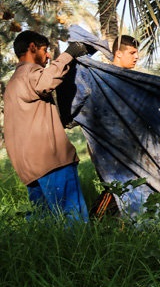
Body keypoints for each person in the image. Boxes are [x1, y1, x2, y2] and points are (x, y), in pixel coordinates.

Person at [3, 30, 94, 221]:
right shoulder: (30, 73)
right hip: (51, 162)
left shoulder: (13, 83)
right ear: (32, 48)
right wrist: (69, 54)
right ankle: (81, 250)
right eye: (45, 50)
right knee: (74, 221)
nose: (48, 56)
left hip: (29, 166)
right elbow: (46, 81)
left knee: (46, 221)